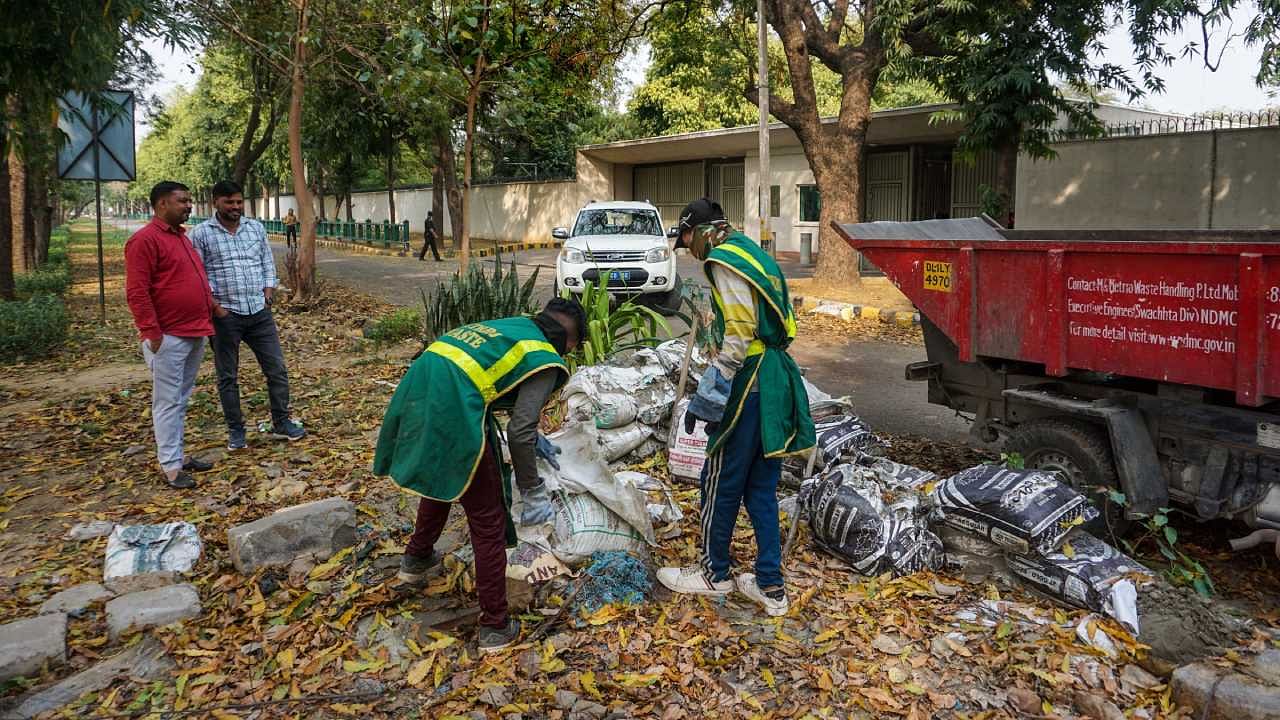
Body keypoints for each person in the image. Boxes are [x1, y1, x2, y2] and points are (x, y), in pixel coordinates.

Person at [373, 297, 586, 652]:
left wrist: (533, 436)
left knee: (447, 477)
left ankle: (416, 559)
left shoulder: (516, 327)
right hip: (453, 404)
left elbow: (494, 384)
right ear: (571, 339)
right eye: (575, 346)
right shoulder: (546, 357)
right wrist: (532, 489)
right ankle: (495, 626)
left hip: (420, 387)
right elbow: (518, 432)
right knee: (488, 516)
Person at [656, 198, 815, 616]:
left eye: (687, 239)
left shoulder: (724, 261)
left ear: (701, 232)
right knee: (761, 488)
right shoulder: (753, 253)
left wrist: (710, 394)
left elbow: (740, 335)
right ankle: (770, 587)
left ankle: (714, 574)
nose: (688, 250)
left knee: (720, 482)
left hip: (750, 381)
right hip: (776, 378)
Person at [191, 180, 306, 451]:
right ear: (215, 203)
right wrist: (217, 309)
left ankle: (281, 422)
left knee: (276, 369)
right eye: (229, 202)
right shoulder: (200, 234)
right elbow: (198, 276)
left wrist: (268, 294)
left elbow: (267, 263)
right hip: (225, 317)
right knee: (227, 376)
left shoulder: (255, 228)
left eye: (239, 202)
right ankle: (236, 431)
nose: (235, 207)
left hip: (258, 312)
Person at [124, 181, 223, 489]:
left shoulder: (181, 237)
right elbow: (137, 292)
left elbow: (195, 279)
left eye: (189, 200)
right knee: (167, 401)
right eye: (182, 201)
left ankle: (178, 456)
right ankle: (170, 466)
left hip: (194, 330)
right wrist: (151, 333)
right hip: (168, 336)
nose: (189, 205)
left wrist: (213, 311)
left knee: (180, 399)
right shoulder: (144, 241)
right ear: (162, 204)